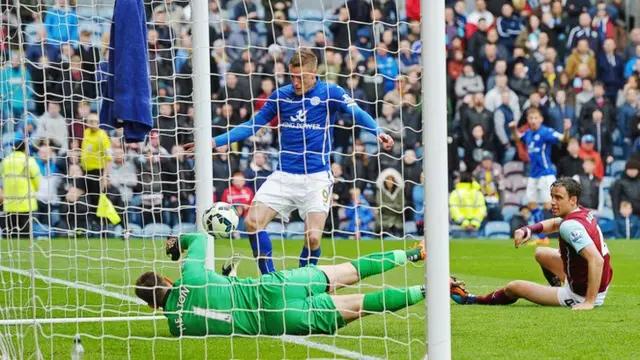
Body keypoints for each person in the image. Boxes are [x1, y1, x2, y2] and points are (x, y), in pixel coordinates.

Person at [186, 49, 393, 274]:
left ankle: (303, 284)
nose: (295, 82)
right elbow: (252, 125)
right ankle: (270, 279)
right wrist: (214, 142)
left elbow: (358, 113)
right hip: (284, 175)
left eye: (301, 77)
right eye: (292, 76)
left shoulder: (331, 92)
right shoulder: (281, 96)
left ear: (314, 74)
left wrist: (378, 131)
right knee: (252, 223)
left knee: (313, 238)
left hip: (316, 178)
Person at [135, 233, 432, 336]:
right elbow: (200, 238)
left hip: (278, 321)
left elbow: (217, 313)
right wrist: (176, 244)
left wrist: (227, 281)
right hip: (273, 287)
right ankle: (414, 253)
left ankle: (430, 289)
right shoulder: (191, 274)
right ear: (169, 279)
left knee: (363, 305)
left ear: (151, 306)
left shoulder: (177, 327)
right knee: (349, 271)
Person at [452, 177, 613, 310]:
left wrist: (588, 302)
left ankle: (472, 300)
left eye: (558, 198)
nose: (552, 202)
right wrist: (527, 230)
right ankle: (557, 290)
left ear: (573, 200)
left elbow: (596, 260)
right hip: (596, 284)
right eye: (552, 196)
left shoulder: (570, 226)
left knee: (514, 287)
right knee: (541, 253)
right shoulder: (582, 213)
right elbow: (555, 224)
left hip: (582, 293)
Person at [508, 107, 571, 244]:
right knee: (531, 204)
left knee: (550, 206)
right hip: (533, 174)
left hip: (546, 174)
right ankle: (543, 238)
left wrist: (566, 130)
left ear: (541, 119)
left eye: (536, 118)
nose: (533, 120)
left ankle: (570, 231)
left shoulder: (545, 132)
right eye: (531, 118)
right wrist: (513, 129)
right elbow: (518, 138)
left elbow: (563, 139)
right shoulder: (528, 133)